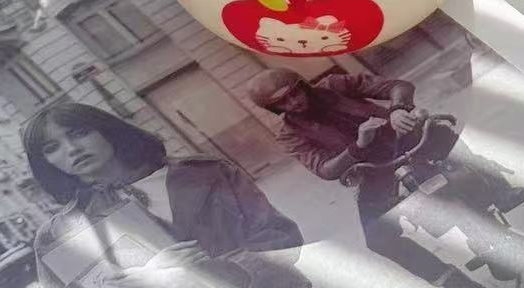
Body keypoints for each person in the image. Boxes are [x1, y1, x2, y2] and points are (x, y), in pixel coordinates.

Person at [248, 67, 524, 287]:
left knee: (440, 131)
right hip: (375, 173)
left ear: (302, 85)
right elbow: (324, 169)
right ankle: (448, 279)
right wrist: (358, 146)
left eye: (294, 93)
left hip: (409, 141)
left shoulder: (335, 85)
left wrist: (397, 110)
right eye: (283, 102)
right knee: (378, 237)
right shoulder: (289, 135)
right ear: (275, 109)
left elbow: (398, 86)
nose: (294, 102)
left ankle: (498, 188)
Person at [23, 100, 309, 288]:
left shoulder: (206, 172)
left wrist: (210, 272)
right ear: (45, 162)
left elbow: (280, 237)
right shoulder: (60, 234)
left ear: (106, 130)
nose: (71, 149)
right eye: (51, 148)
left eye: (78, 133)